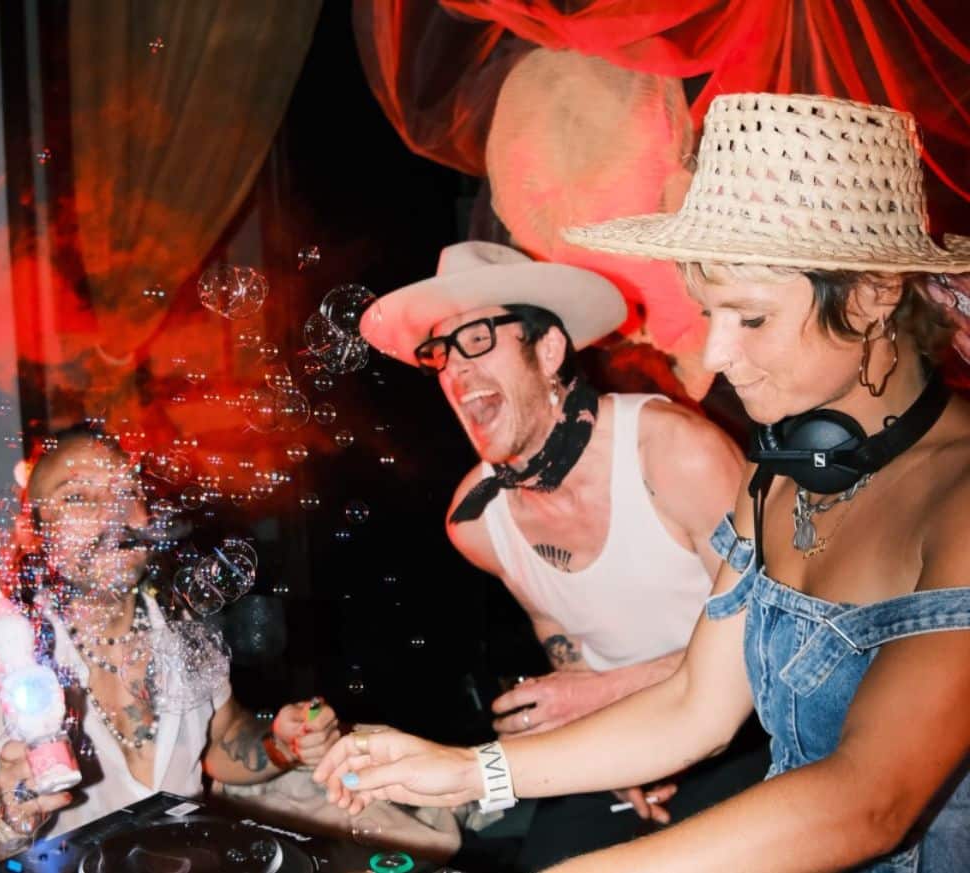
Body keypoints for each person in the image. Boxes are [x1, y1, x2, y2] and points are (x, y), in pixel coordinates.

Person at [317, 93, 970, 872]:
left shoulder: (960, 495)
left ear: (870, 295)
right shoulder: (780, 475)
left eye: (751, 317)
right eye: (707, 313)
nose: (716, 354)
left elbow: (871, 800)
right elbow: (697, 704)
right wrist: (470, 769)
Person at [357, 241, 767, 862]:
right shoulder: (477, 525)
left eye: (477, 339)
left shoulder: (674, 453)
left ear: (548, 350)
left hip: (751, 726)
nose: (456, 371)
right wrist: (605, 743)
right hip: (623, 736)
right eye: (440, 352)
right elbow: (567, 648)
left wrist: (606, 698)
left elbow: (776, 635)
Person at [0, 426, 340, 873]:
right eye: (77, 497)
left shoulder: (184, 634)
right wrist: (7, 825)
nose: (113, 513)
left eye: (127, 492)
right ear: (35, 534)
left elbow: (222, 740)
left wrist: (282, 744)